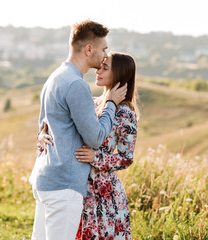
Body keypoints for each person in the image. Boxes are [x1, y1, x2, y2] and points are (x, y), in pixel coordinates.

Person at [29, 20, 127, 240]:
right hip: (63, 184)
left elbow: (43, 127)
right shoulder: (76, 84)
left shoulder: (54, 77)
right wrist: (110, 103)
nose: (104, 55)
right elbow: (94, 138)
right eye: (103, 49)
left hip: (45, 178)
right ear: (88, 49)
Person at [39, 52, 138, 239]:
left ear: (119, 74)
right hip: (76, 186)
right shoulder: (91, 103)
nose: (97, 71)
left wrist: (96, 158)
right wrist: (42, 135)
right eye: (100, 66)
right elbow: (58, 126)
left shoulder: (125, 114)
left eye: (104, 68)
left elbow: (126, 159)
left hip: (104, 195)